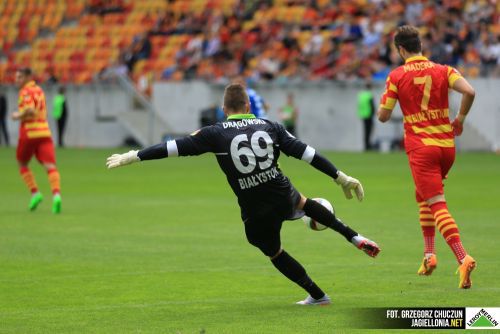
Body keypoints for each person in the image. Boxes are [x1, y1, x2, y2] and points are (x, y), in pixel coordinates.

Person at [107, 83, 380, 305]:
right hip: (280, 190)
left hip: (254, 207)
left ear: (223, 109)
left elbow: (171, 148)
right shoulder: (271, 126)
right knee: (304, 203)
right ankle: (354, 237)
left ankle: (318, 294)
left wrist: (134, 156)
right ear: (248, 107)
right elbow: (307, 154)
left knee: (273, 251)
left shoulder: (214, 133)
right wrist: (340, 177)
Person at [377, 26, 476, 288]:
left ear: (400, 49)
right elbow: (470, 91)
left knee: (436, 203)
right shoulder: (444, 70)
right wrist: (460, 119)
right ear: (420, 45)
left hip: (421, 148)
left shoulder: (397, 75)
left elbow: (384, 116)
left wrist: (385, 103)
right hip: (446, 147)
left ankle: (463, 257)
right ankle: (429, 255)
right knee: (422, 195)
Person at [11, 68, 62, 213]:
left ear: (27, 77)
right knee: (50, 165)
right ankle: (56, 195)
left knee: (22, 163)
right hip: (45, 131)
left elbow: (31, 110)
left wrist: (17, 115)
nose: (17, 80)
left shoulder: (25, 92)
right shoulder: (39, 90)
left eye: (19, 77)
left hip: (29, 132)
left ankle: (35, 193)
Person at [357, 81, 375, 151]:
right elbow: (372, 106)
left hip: (363, 114)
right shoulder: (370, 95)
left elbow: (360, 105)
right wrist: (374, 113)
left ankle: (366, 145)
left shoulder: (361, 95)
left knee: (365, 131)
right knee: (369, 131)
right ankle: (368, 146)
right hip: (369, 115)